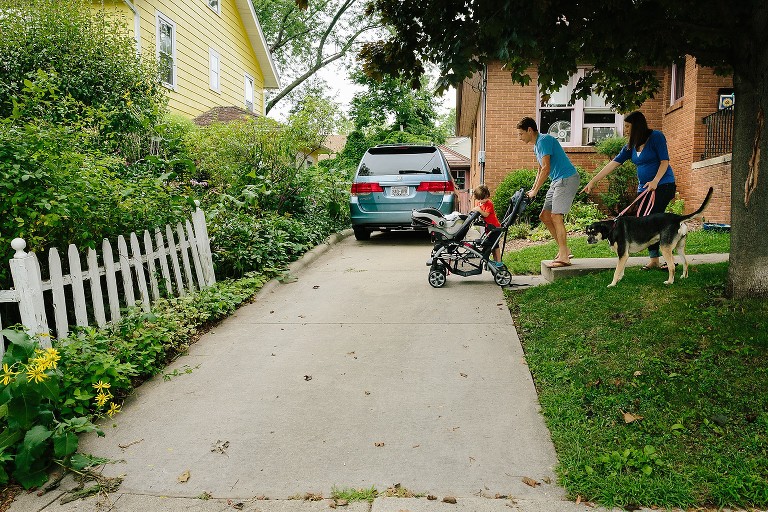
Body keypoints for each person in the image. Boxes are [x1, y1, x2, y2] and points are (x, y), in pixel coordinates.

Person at [582, 111, 676, 270]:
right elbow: (613, 163)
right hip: (644, 189)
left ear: (637, 127)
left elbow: (664, 161)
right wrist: (593, 180)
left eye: (627, 126)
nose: (624, 129)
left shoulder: (656, 137)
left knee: (653, 220)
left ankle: (668, 259)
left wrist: (655, 181)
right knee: (645, 221)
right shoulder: (631, 146)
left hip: (663, 185)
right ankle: (654, 260)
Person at [517, 117, 580, 268]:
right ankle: (564, 250)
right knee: (545, 216)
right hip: (556, 181)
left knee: (556, 215)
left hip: (566, 178)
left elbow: (546, 168)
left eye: (520, 134)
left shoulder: (544, 140)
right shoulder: (536, 146)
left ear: (530, 130)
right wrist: (533, 189)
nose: (519, 137)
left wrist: (536, 190)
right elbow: (540, 169)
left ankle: (564, 257)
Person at [470, 184, 503, 266]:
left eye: (485, 197)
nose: (484, 200)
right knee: (491, 245)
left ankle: (499, 261)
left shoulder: (489, 203)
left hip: (495, 228)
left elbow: (486, 215)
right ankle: (495, 261)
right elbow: (478, 211)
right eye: (482, 199)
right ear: (478, 198)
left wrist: (479, 210)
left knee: (495, 245)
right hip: (489, 228)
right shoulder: (479, 204)